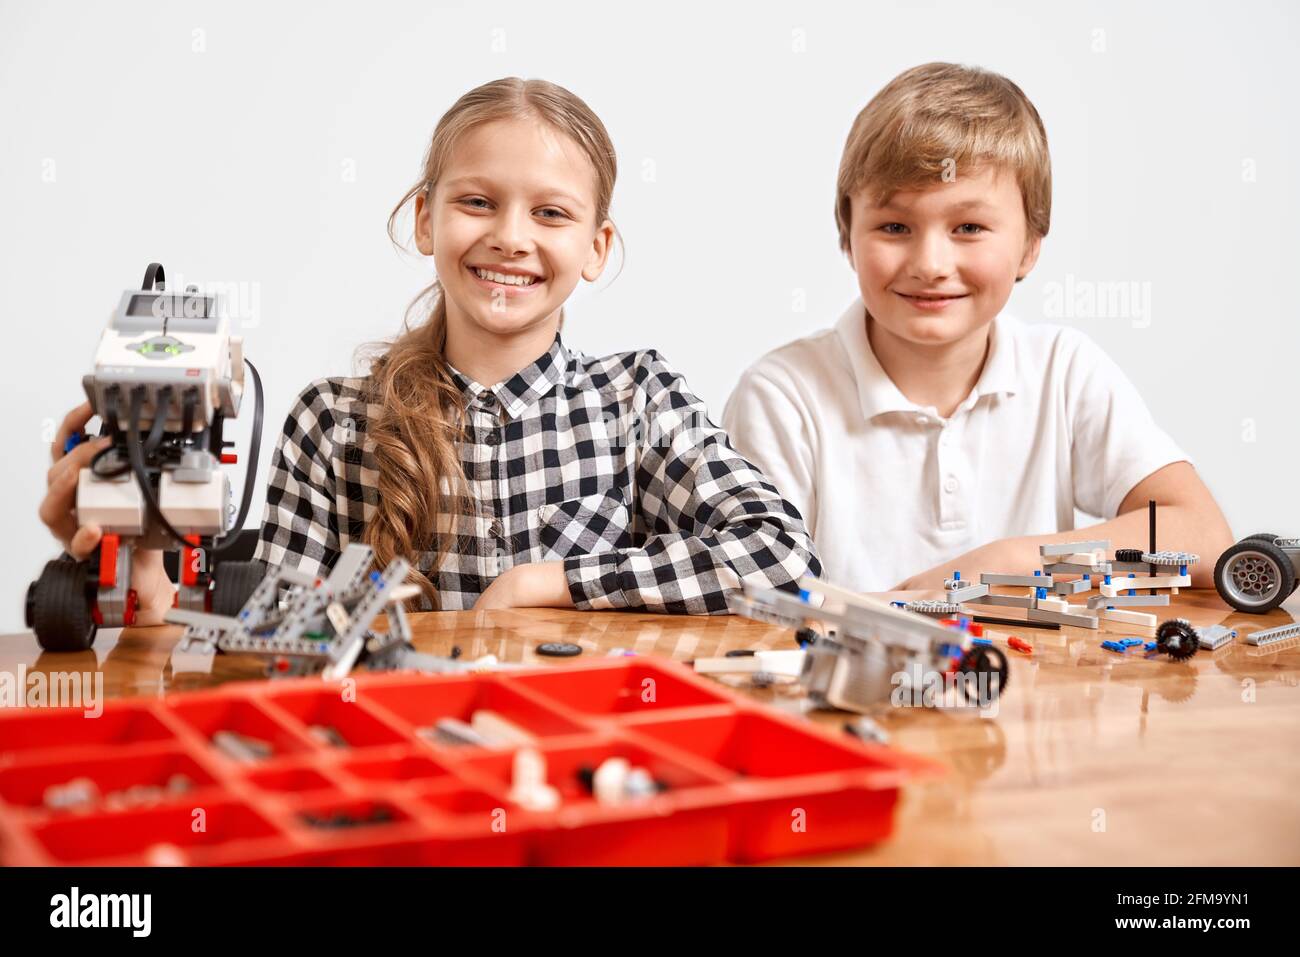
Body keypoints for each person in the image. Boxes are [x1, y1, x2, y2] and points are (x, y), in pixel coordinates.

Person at [40, 77, 818, 620]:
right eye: (477, 202)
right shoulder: (333, 423)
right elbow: (266, 650)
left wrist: (549, 583)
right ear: (424, 219)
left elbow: (782, 557)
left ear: (596, 246)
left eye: (550, 213)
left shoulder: (637, 399)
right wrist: (145, 570)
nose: (510, 237)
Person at [723, 62, 1232, 593]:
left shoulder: (1063, 370)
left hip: (1028, 676)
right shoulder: (782, 395)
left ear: (1030, 247)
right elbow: (755, 598)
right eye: (895, 227)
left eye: (969, 227)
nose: (931, 263)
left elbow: (1200, 535)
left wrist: (1009, 561)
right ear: (848, 237)